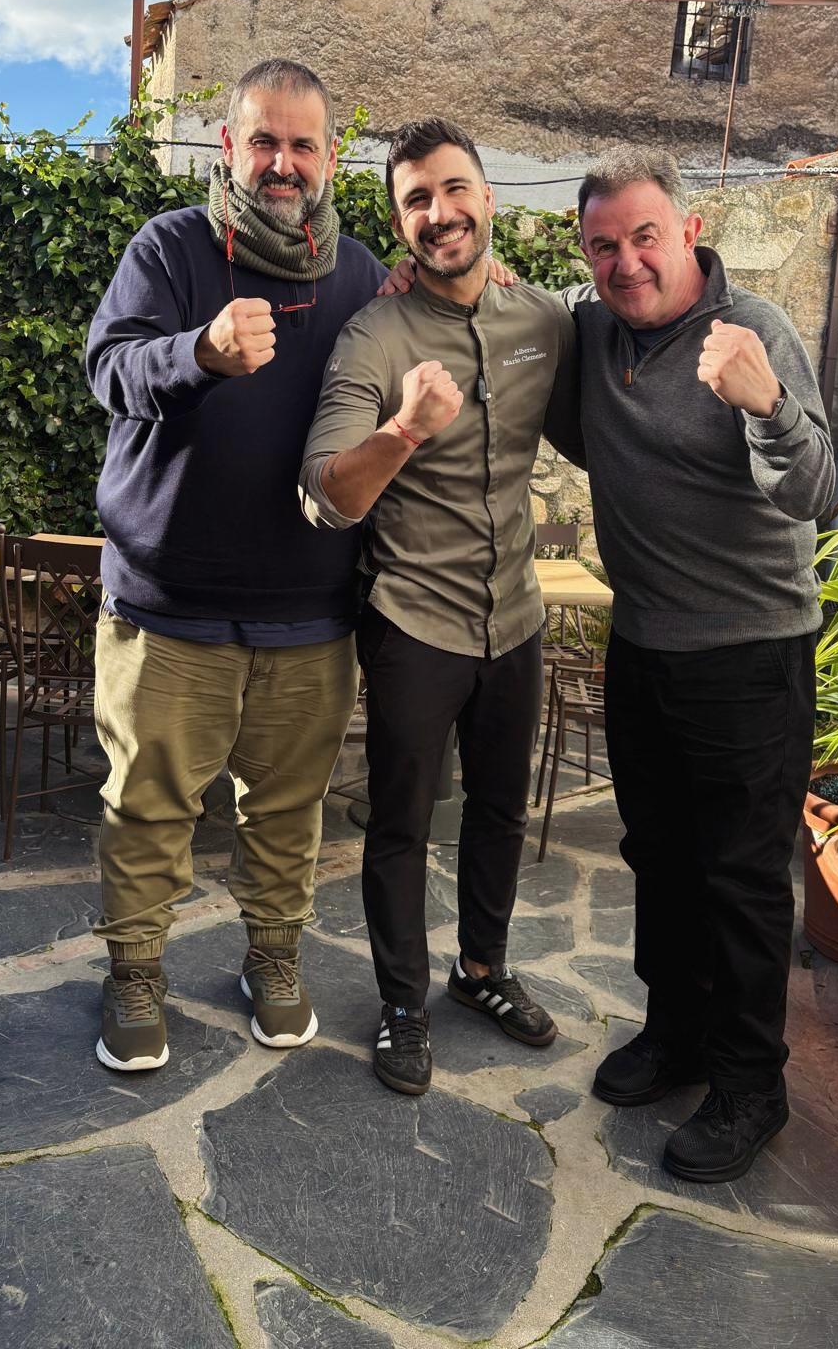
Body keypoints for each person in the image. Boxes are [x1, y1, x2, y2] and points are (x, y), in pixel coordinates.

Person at [84, 58, 388, 1071]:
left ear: (332, 156)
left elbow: (433, 334)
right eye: (264, 141)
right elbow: (107, 367)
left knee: (288, 814)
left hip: (311, 609)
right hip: (168, 607)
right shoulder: (170, 247)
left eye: (302, 144)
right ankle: (134, 974)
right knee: (147, 810)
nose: (282, 163)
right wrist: (197, 354)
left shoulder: (361, 277)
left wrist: (490, 286)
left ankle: (273, 958)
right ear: (228, 145)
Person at [548, 146, 836, 1183]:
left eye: (645, 237)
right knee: (661, 859)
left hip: (750, 653)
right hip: (644, 643)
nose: (627, 262)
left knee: (742, 881)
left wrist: (766, 404)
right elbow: (538, 370)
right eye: (604, 246)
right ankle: (674, 1032)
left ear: (690, 231)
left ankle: (751, 1084)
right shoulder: (591, 333)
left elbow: (815, 491)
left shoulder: (752, 331)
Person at [299, 118, 579, 1096]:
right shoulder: (374, 336)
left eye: (455, 189)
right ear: (398, 222)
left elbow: (605, 414)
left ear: (490, 199)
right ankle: (403, 1003)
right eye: (416, 199)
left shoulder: (543, 321)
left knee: (500, 809)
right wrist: (406, 430)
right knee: (402, 824)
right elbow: (325, 495)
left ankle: (482, 970)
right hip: (414, 619)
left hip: (517, 616)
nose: (440, 212)